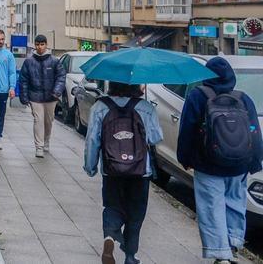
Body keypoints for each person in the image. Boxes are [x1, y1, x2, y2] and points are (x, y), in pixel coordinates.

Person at [177, 56, 263, 263]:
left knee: (211, 206)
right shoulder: (243, 98)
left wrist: (185, 157)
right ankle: (233, 243)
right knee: (235, 203)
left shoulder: (198, 96)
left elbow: (187, 129)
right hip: (238, 165)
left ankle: (220, 253)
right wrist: (255, 161)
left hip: (208, 165)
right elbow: (254, 132)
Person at [84, 81, 163, 264]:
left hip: (111, 170)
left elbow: (92, 141)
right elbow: (155, 137)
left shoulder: (100, 106)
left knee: (112, 206)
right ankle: (130, 256)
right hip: (140, 170)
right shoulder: (145, 107)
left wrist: (91, 166)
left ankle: (110, 236)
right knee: (136, 213)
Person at [18, 34, 64, 157]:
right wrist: (24, 97)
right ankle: (39, 146)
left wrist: (56, 91)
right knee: (38, 120)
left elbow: (61, 77)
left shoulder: (54, 61)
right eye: (37, 44)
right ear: (34, 45)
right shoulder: (29, 61)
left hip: (51, 97)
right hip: (35, 96)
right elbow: (23, 80)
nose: (40, 47)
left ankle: (46, 141)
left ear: (46, 44)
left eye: (42, 44)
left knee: (48, 122)